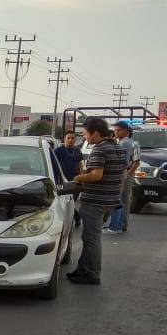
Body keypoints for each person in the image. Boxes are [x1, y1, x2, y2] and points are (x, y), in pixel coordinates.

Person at [68, 118, 125, 285]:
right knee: (89, 237)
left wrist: (78, 178)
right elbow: (121, 175)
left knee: (92, 238)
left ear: (96, 133)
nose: (84, 137)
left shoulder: (100, 149)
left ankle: (92, 274)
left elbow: (96, 175)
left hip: (95, 201)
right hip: (110, 200)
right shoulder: (118, 148)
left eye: (85, 134)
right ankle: (83, 269)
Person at [106, 121, 140, 234]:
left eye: (118, 130)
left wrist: (127, 174)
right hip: (123, 173)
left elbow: (136, 162)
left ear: (126, 131)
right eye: (115, 130)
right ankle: (120, 225)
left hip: (123, 174)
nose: (116, 132)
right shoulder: (119, 142)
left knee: (119, 200)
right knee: (121, 200)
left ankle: (117, 226)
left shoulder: (129, 143)